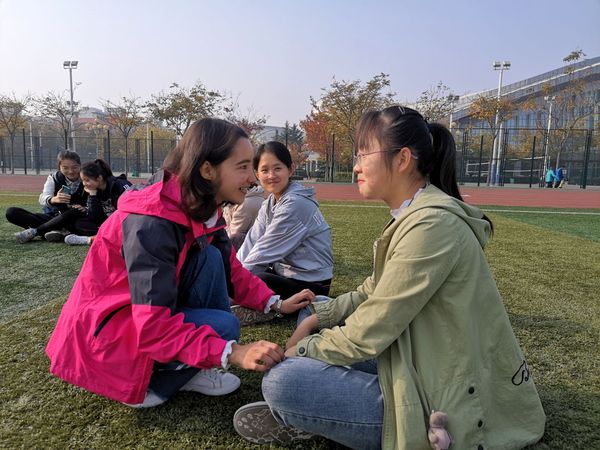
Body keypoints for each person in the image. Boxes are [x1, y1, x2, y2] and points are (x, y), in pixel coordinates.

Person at [234, 106, 546, 449]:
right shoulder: (413, 214)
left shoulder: (432, 226)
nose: (356, 166)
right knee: (317, 306)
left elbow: (374, 326)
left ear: (402, 159)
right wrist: (316, 317)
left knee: (282, 381)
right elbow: (373, 290)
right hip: (418, 356)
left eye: (363, 155)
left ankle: (311, 415)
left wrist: (302, 350)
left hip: (438, 398)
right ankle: (318, 413)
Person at [46, 118, 314, 408]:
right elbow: (152, 328)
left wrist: (275, 303)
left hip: (134, 319)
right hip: (111, 338)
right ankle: (152, 388)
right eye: (243, 166)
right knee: (224, 326)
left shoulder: (198, 206)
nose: (252, 178)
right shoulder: (152, 223)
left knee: (211, 257)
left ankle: (191, 366)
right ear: (207, 170)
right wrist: (231, 352)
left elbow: (231, 269)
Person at [237, 141, 333, 299]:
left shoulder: (295, 204)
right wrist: (232, 275)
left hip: (311, 284)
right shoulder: (269, 202)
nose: (271, 175)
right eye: (265, 170)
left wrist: (233, 285)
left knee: (259, 280)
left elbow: (263, 252)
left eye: (277, 168)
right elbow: (252, 241)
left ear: (290, 169)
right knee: (237, 241)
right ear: (257, 174)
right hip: (284, 275)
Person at [6, 150, 88, 243]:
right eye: (65, 168)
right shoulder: (54, 177)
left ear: (80, 166)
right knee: (12, 212)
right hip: (52, 217)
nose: (70, 171)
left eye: (74, 167)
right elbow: (42, 198)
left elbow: (95, 200)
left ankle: (37, 231)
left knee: (76, 212)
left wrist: (85, 208)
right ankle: (59, 231)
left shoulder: (87, 178)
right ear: (59, 167)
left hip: (74, 218)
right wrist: (53, 199)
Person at [63, 159, 132, 245]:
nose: (84, 184)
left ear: (99, 178)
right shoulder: (95, 189)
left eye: (87, 180)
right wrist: (93, 194)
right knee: (80, 224)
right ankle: (102, 236)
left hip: (124, 223)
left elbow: (131, 211)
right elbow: (94, 216)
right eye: (83, 180)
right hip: (108, 224)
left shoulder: (120, 185)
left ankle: (92, 239)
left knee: (123, 229)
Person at [223, 183, 265, 250]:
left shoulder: (245, 203)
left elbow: (234, 234)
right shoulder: (256, 197)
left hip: (243, 247)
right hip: (253, 245)